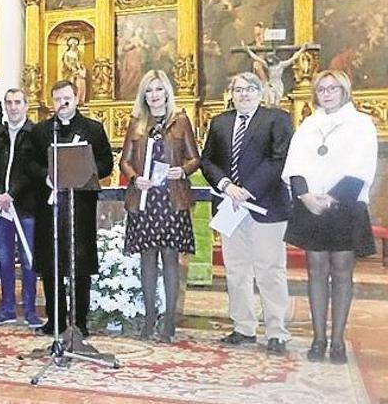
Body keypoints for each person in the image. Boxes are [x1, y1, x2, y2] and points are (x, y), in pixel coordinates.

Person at [282, 70, 377, 364]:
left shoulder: (361, 124)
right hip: (311, 205)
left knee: (342, 271)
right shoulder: (309, 124)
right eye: (322, 89)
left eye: (333, 88)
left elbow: (362, 165)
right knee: (315, 270)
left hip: (345, 205)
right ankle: (318, 338)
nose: (327, 93)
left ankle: (337, 341)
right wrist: (307, 197)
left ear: (344, 89)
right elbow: (294, 164)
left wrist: (333, 198)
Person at [201, 72, 293, 355]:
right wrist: (226, 185)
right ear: (231, 93)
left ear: (261, 91)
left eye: (250, 88)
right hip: (230, 206)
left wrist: (248, 189)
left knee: (270, 270)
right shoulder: (219, 122)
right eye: (238, 89)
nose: (244, 94)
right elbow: (208, 160)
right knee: (236, 270)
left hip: (266, 205)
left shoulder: (277, 119)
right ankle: (243, 327)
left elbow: (279, 158)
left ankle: (277, 331)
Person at [119, 70, 200, 343]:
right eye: (149, 91)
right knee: (147, 261)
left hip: (171, 199)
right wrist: (134, 178)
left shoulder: (180, 121)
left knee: (170, 261)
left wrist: (182, 170)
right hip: (145, 200)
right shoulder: (137, 123)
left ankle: (168, 322)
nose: (154, 95)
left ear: (167, 93)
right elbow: (125, 160)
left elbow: (194, 158)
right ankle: (149, 318)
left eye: (158, 90)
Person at [30, 80, 114, 337]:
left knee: (79, 267)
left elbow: (106, 164)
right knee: (51, 266)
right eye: (57, 99)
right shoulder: (42, 131)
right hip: (50, 210)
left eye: (67, 98)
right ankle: (54, 320)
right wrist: (45, 174)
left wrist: (84, 172)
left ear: (76, 99)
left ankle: (79, 322)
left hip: (80, 208)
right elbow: (30, 163)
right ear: (51, 102)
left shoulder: (93, 129)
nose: (62, 103)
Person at [0, 89, 43, 328]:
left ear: (26, 105)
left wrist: (12, 193)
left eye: (18, 102)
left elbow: (33, 169)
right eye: (9, 103)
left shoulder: (35, 134)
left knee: (28, 259)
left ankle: (29, 310)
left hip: (26, 206)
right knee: (5, 259)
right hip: (0, 207)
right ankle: (7, 307)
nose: (13, 107)